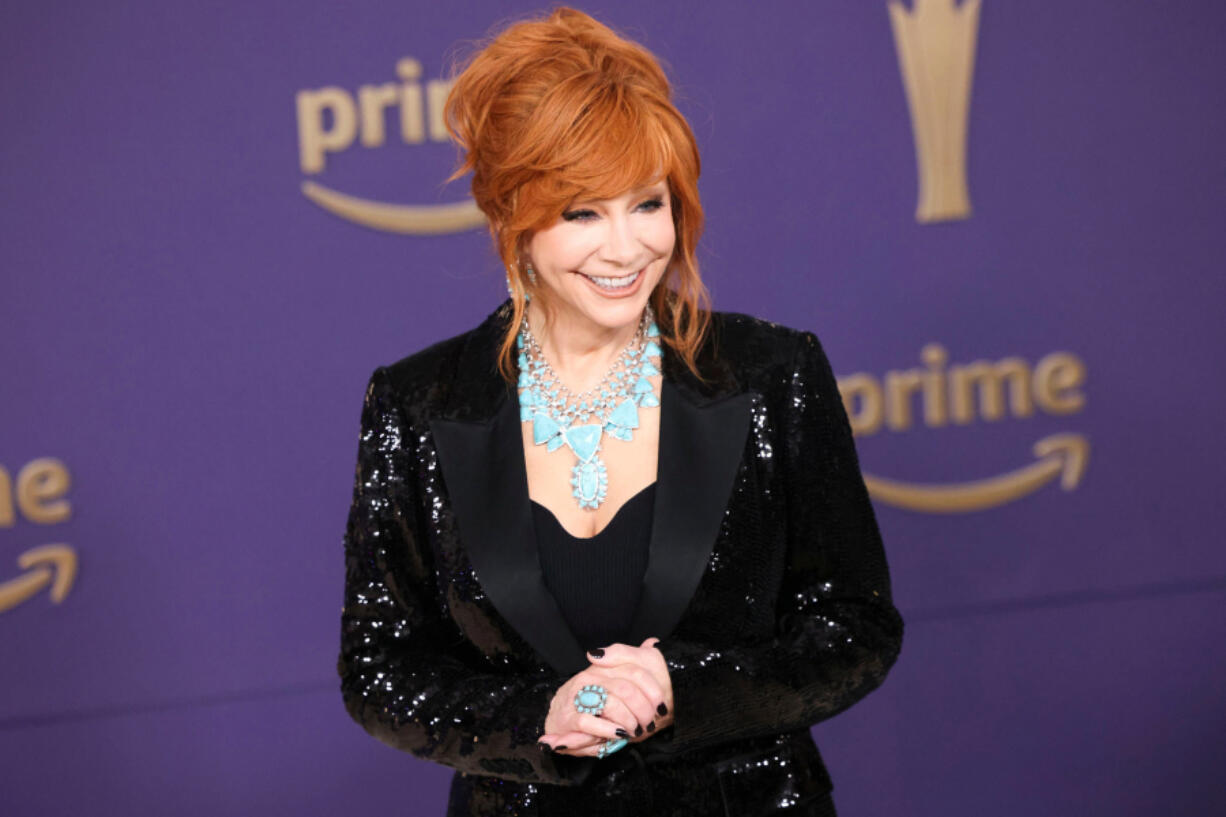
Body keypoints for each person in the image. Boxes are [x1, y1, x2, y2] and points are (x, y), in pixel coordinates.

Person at [337, 7, 904, 816]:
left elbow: (855, 627)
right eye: (582, 213)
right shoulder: (421, 405)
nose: (626, 248)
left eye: (647, 204)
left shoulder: (771, 375)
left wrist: (687, 690)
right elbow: (380, 667)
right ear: (510, 219)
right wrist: (538, 718)